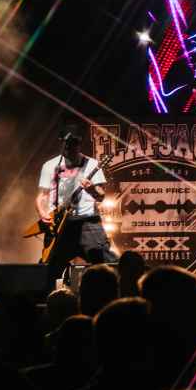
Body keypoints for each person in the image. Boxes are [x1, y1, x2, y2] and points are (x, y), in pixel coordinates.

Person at [36, 123, 116, 288]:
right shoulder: (50, 166)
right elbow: (41, 196)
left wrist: (91, 189)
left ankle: (108, 296)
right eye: (66, 143)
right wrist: (42, 213)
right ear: (62, 143)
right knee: (48, 270)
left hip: (88, 223)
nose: (69, 147)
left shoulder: (92, 164)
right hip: (60, 225)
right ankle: (45, 300)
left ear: (79, 144)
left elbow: (101, 196)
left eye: (73, 143)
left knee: (106, 265)